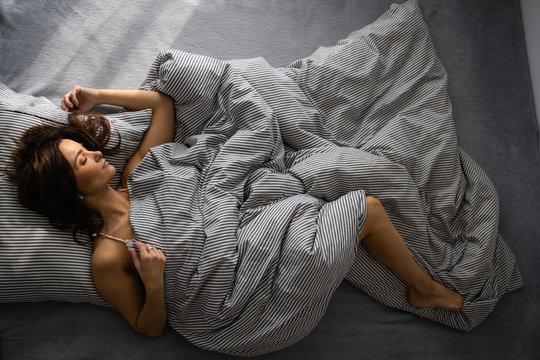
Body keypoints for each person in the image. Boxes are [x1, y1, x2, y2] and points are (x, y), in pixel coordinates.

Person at [9, 86, 463, 338]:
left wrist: (94, 97)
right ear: (69, 191)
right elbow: (148, 328)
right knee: (365, 209)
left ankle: (414, 282)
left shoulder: (141, 172)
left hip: (243, 232)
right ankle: (423, 288)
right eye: (80, 161)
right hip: (230, 305)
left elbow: (161, 103)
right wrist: (152, 282)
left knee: (349, 194)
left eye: (84, 149)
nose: (92, 154)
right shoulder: (107, 256)